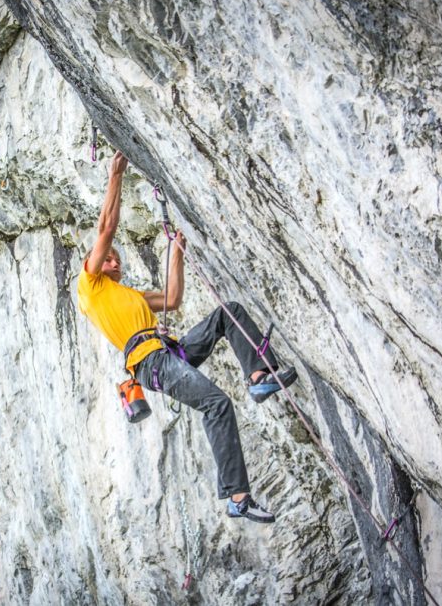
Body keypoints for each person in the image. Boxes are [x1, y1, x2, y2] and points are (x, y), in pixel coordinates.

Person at [77, 150, 298, 523]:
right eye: (109, 259)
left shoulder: (128, 295)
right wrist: (115, 175)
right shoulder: (90, 286)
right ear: (97, 264)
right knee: (216, 404)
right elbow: (106, 228)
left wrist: (176, 252)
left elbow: (173, 300)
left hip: (170, 354)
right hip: (151, 362)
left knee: (228, 313)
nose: (116, 262)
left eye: (116, 259)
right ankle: (238, 497)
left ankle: (259, 376)